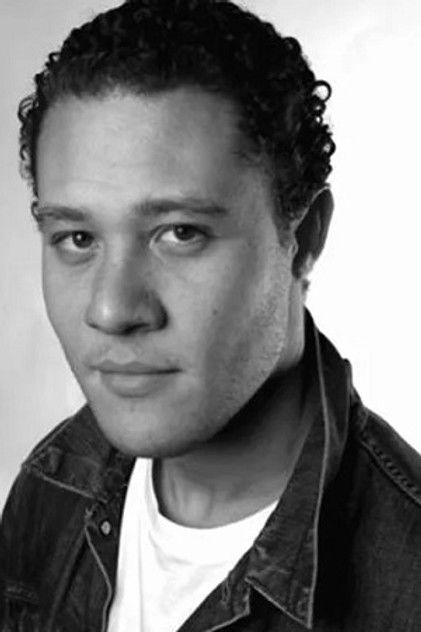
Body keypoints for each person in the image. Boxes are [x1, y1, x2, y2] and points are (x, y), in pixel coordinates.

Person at [1, 0, 420, 629]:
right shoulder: (55, 479)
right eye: (78, 239)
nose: (111, 309)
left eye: (181, 233)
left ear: (304, 238)